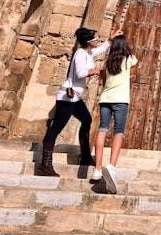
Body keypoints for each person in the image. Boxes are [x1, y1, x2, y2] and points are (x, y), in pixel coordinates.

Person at [35, 27, 110, 177]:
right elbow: (80, 73)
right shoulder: (80, 54)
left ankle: (85, 156)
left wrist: (112, 39)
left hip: (75, 97)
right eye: (96, 38)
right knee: (56, 128)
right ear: (89, 41)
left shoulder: (88, 53)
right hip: (67, 97)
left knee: (87, 120)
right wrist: (95, 71)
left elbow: (101, 49)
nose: (98, 40)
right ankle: (45, 165)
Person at [91, 30, 137, 193]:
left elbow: (104, 79)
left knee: (102, 130)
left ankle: (97, 169)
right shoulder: (128, 60)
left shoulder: (108, 63)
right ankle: (111, 166)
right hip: (121, 100)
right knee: (118, 131)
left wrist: (112, 39)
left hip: (106, 99)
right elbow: (134, 59)